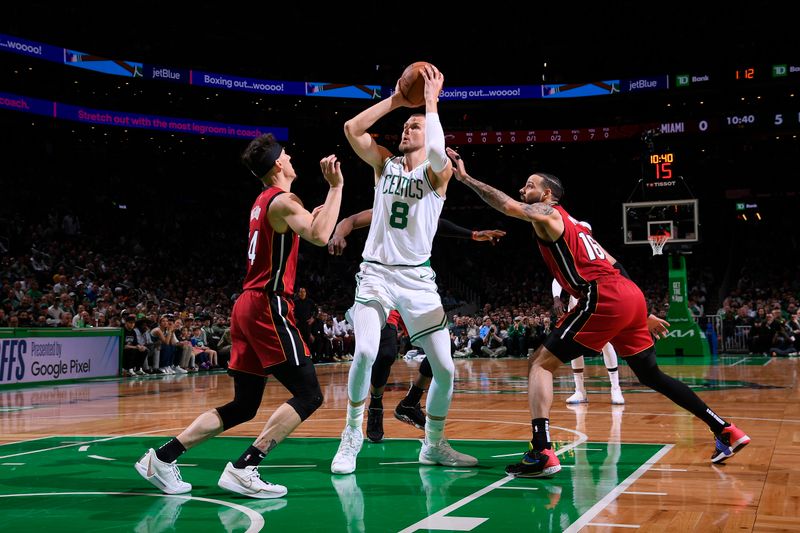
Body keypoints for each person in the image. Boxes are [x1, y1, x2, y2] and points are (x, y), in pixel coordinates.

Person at [446, 147, 750, 477]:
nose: (523, 189)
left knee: (539, 364)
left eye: (529, 185)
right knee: (652, 376)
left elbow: (507, 206)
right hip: (627, 294)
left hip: (603, 294)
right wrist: (642, 312)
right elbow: (616, 264)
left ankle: (542, 451)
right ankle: (725, 430)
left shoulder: (549, 213)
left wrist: (464, 178)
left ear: (547, 194)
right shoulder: (580, 227)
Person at [135, 133, 344, 497]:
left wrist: (323, 203)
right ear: (278, 163)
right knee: (309, 394)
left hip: (247, 303)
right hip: (268, 304)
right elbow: (321, 234)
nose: (292, 157)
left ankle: (162, 458)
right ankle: (244, 467)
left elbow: (308, 223)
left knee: (244, 405)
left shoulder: (264, 202)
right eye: (287, 154)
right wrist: (337, 186)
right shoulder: (282, 201)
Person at [331, 64, 477, 474]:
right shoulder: (384, 164)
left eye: (414, 126)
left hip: (417, 280)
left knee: (445, 370)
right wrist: (397, 100)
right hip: (376, 272)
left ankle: (433, 444)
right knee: (363, 350)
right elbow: (351, 130)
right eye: (405, 126)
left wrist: (430, 103)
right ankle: (351, 435)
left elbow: (435, 151)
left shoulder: (438, 172)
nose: (406, 130)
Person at [328, 207, 505, 442]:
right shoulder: (386, 203)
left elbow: (439, 223)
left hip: (414, 285)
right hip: (384, 284)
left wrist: (472, 234)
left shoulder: (421, 205)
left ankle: (411, 401)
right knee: (386, 353)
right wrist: (339, 234)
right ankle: (376, 405)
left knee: (445, 352)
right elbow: (350, 219)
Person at [551, 221, 623, 405]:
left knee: (606, 344)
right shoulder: (571, 253)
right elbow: (558, 277)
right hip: (577, 304)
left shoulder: (597, 253)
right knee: (574, 346)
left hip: (599, 303)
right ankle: (580, 390)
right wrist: (557, 297)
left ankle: (616, 388)